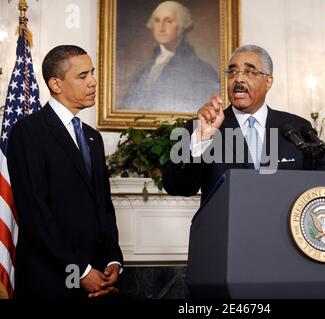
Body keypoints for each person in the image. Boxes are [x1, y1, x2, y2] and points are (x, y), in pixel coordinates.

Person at [7, 45, 123, 299]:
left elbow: (104, 207)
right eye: (83, 76)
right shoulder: (28, 132)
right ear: (56, 84)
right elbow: (35, 213)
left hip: (98, 278)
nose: (93, 82)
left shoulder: (93, 138)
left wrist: (113, 259)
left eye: (92, 73)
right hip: (49, 280)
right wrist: (80, 271)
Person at [163, 45, 325, 202]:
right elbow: (177, 187)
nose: (238, 79)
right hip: (225, 231)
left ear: (268, 81)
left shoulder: (296, 128)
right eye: (232, 72)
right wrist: (200, 142)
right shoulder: (203, 127)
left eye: (249, 72)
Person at [123, 1, 219, 112]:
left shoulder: (202, 70)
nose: (161, 27)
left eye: (168, 21)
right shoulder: (146, 68)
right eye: (157, 21)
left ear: (182, 26)